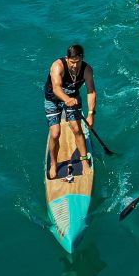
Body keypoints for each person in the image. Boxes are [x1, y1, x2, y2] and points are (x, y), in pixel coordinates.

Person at [44, 44, 97, 181]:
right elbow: (56, 88)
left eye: (78, 62)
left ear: (82, 58)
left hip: (73, 98)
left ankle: (84, 160)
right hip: (53, 100)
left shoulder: (87, 69)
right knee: (55, 133)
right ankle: (53, 164)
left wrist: (91, 114)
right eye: (72, 62)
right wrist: (67, 99)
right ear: (67, 58)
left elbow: (91, 91)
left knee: (77, 129)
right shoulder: (57, 66)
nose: (75, 65)